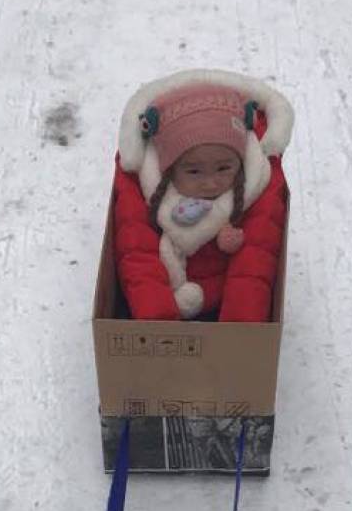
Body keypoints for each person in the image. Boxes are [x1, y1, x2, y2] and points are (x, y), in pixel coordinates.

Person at [112, 69, 294, 322]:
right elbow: (137, 250)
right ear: (169, 169)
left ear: (240, 162)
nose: (210, 184)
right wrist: (156, 324)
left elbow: (256, 259)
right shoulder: (148, 186)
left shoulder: (257, 181)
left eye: (224, 168)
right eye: (194, 171)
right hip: (166, 291)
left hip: (224, 296)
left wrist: (241, 333)